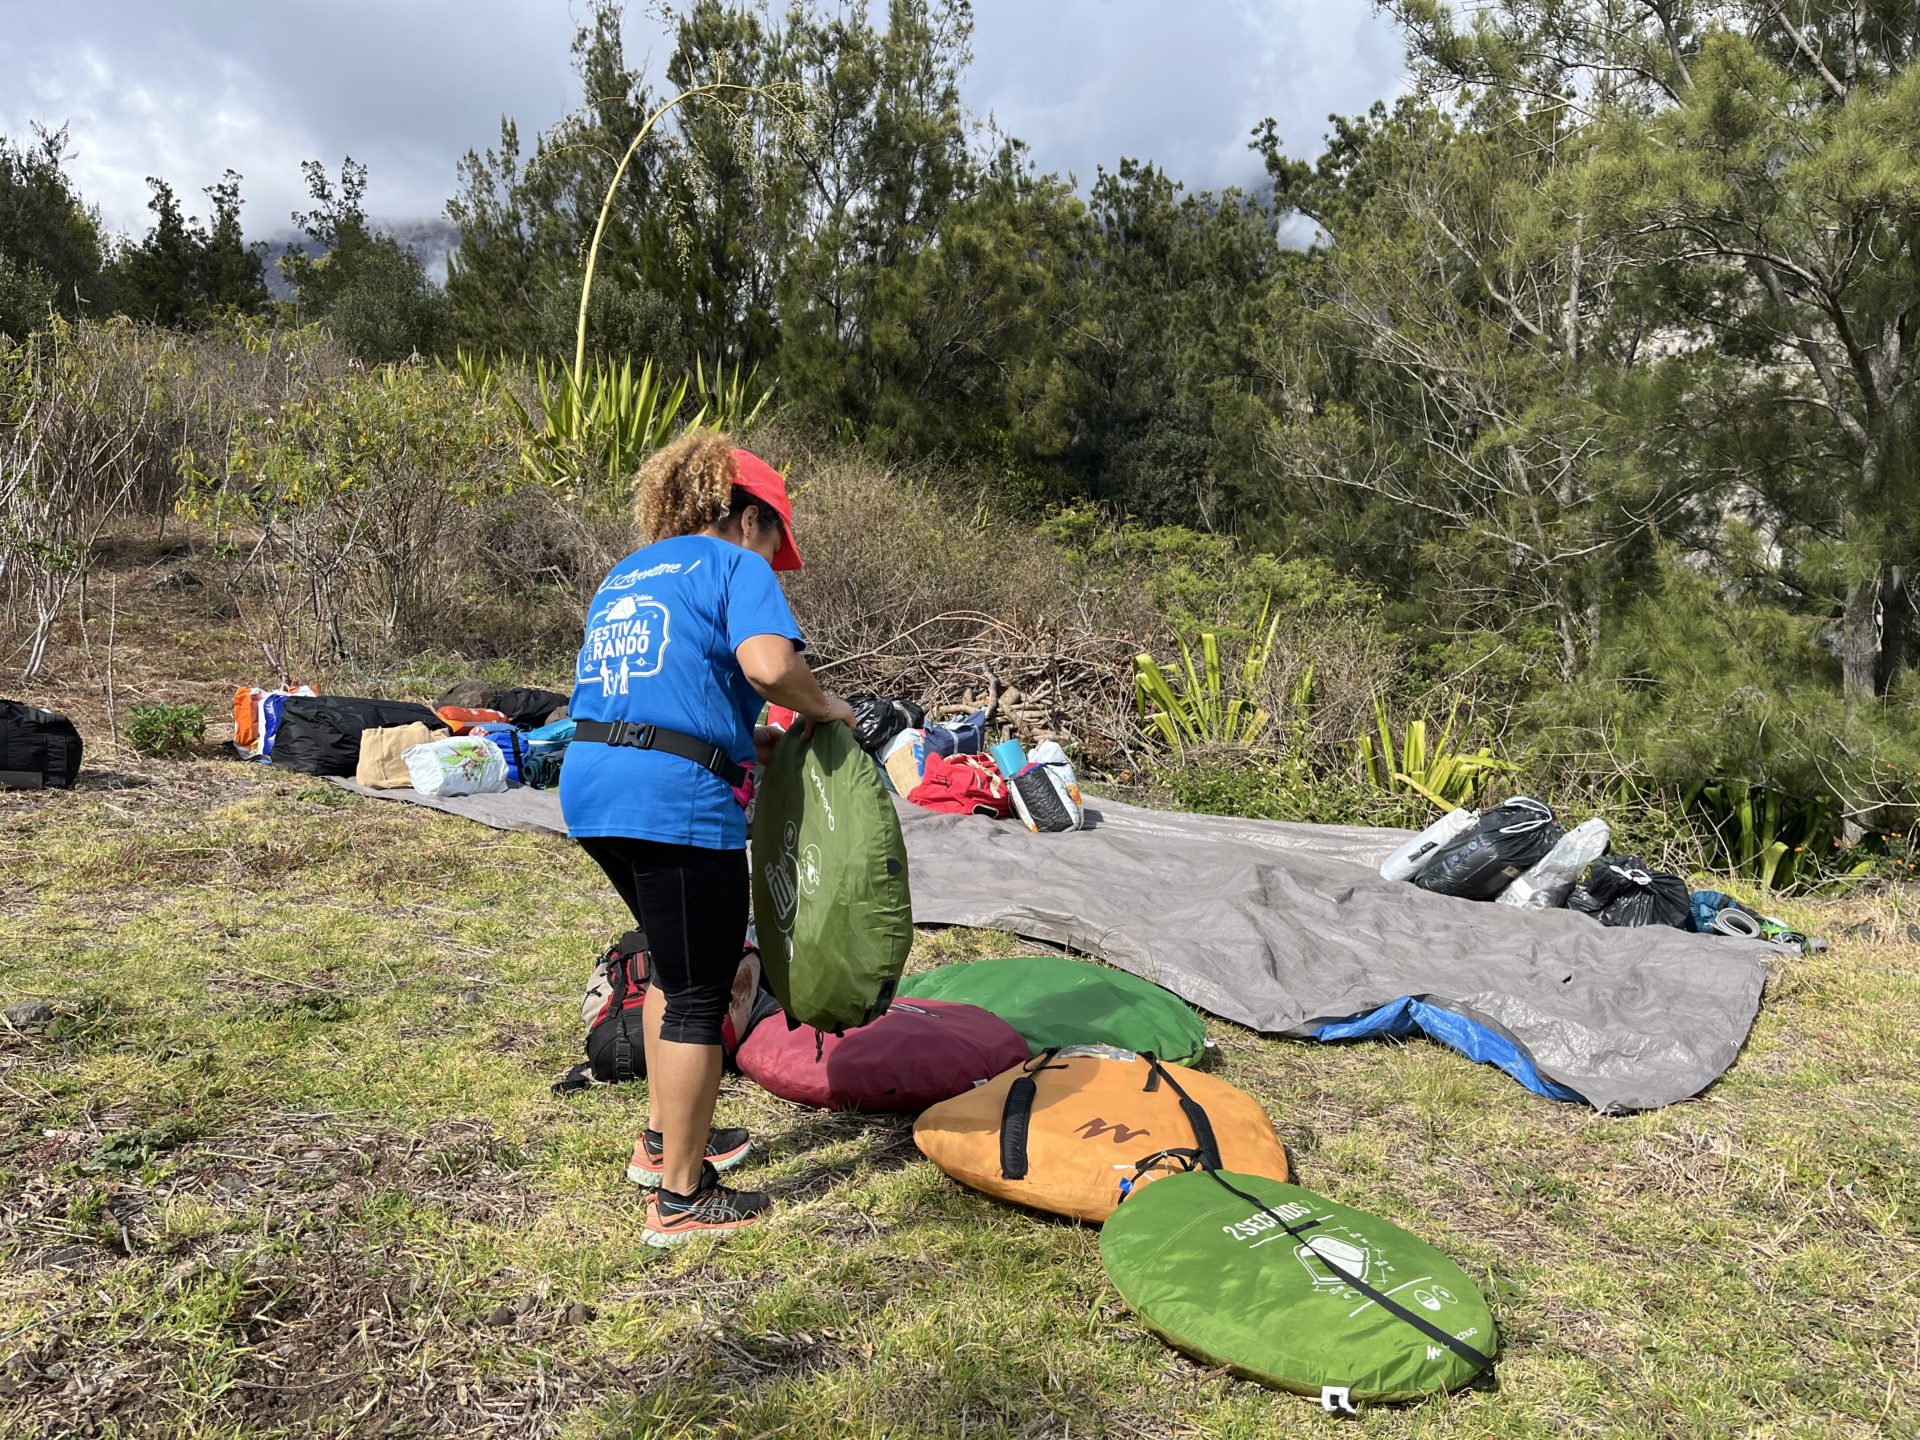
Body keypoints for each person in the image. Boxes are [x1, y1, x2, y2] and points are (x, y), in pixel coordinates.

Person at [562, 430, 854, 1247]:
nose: (773, 556)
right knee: (702, 987)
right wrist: (822, 707)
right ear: (747, 517)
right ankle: (681, 1198)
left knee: (671, 960)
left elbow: (656, 686)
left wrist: (736, 742)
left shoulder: (628, 573)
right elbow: (767, 667)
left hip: (594, 782)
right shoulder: (735, 566)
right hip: (673, 798)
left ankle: (662, 1143)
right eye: (774, 537)